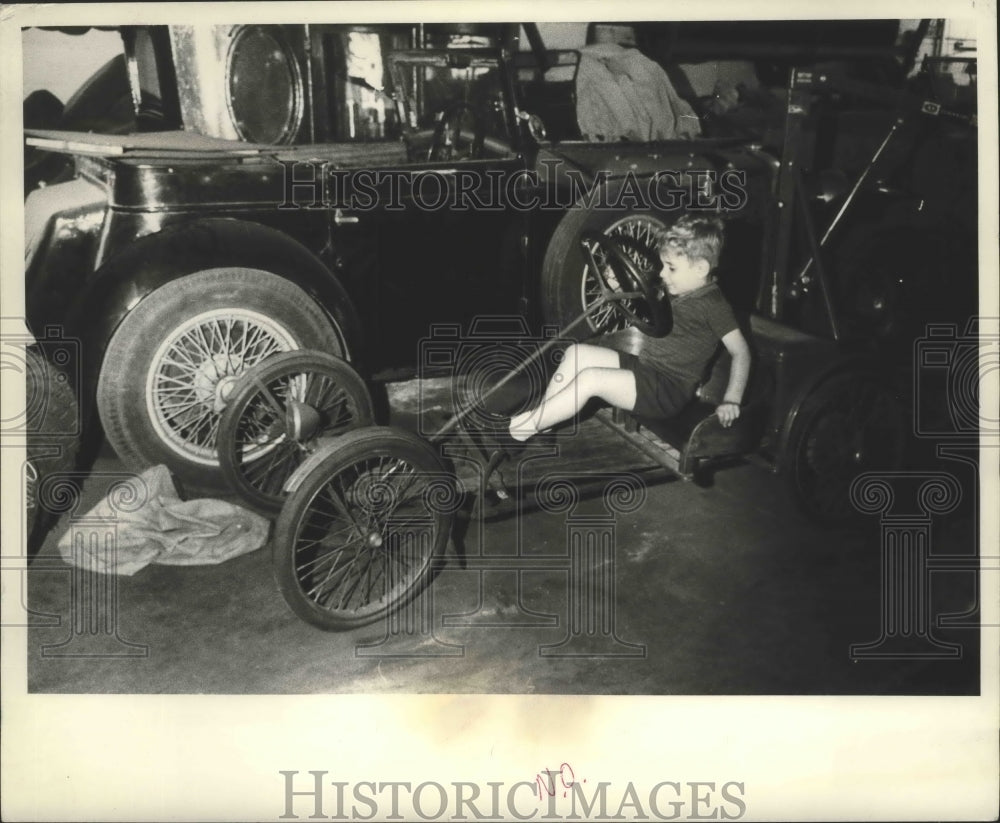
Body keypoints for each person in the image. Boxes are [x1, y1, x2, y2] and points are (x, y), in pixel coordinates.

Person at [508, 214, 750, 442]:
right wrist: (614, 281)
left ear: (701, 269)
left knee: (591, 380)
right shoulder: (680, 287)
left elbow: (741, 352)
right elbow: (641, 293)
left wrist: (732, 399)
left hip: (667, 390)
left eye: (671, 267)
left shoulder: (713, 304)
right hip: (645, 367)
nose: (663, 273)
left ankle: (525, 427)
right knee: (577, 353)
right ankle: (544, 420)